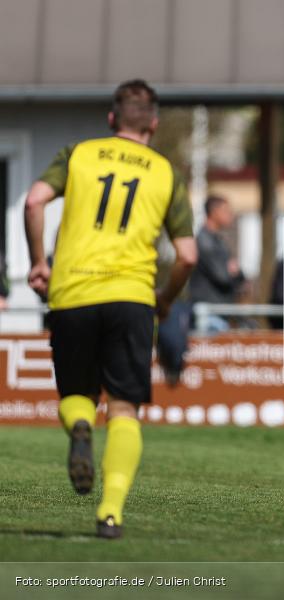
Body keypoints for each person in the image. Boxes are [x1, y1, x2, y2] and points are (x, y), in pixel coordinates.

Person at [23, 79, 196, 539]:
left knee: (76, 394)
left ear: (112, 119)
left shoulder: (79, 153)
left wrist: (39, 262)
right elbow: (189, 255)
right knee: (123, 409)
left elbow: (34, 199)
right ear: (154, 125)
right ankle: (110, 514)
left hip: (73, 293)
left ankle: (80, 426)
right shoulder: (165, 172)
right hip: (131, 297)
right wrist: (165, 298)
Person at [189, 195, 245, 333]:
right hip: (208, 316)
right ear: (214, 212)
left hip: (219, 315)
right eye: (226, 211)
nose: (231, 215)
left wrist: (236, 273)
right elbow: (223, 276)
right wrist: (234, 273)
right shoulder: (205, 242)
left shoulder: (218, 241)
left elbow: (238, 273)